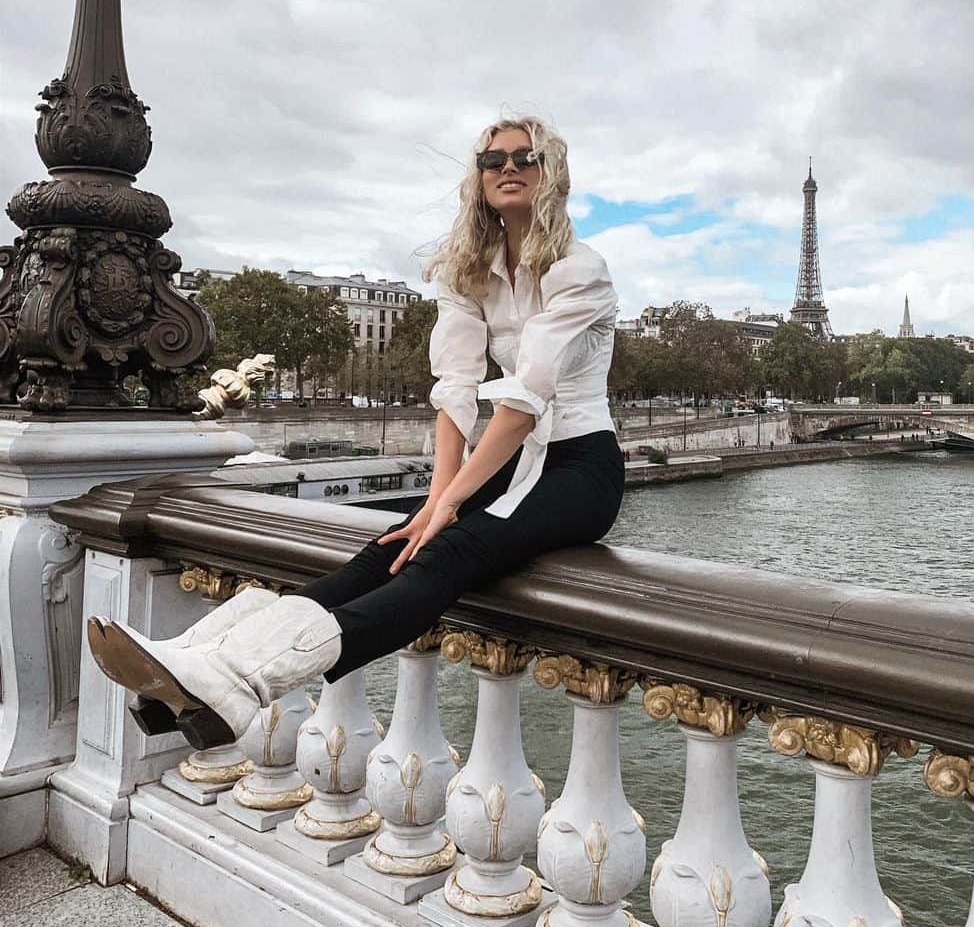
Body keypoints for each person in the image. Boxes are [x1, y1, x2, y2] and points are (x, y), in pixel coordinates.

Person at [86, 116, 625, 751]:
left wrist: (449, 505)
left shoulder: (578, 270)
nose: (508, 167)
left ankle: (239, 681)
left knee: (447, 553)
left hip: (580, 466)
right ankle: (202, 655)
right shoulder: (468, 273)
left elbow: (523, 403)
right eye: (492, 160)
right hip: (516, 459)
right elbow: (455, 393)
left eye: (525, 157)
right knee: (392, 544)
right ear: (477, 180)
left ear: (550, 173)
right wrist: (431, 502)